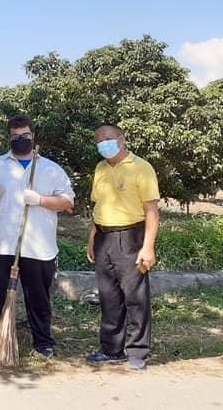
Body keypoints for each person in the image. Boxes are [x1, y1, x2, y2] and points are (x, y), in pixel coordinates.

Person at [0, 115, 75, 359]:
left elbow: (67, 202)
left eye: (25, 135)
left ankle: (43, 343)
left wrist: (40, 200)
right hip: (1, 244)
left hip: (38, 246)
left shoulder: (51, 169)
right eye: (15, 136)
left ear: (33, 136)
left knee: (38, 298)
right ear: (9, 138)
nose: (20, 140)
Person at [85, 125, 160, 371]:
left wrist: (148, 247)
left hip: (130, 237)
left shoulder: (141, 167)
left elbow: (151, 211)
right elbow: (98, 206)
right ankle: (111, 349)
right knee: (109, 296)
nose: (103, 144)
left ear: (122, 139)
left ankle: (137, 351)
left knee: (135, 296)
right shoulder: (100, 168)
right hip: (103, 237)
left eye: (108, 138)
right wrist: (92, 237)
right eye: (99, 141)